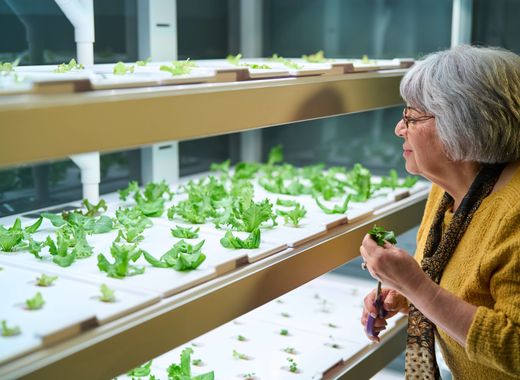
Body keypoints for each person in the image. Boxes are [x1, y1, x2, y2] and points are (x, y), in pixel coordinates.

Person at [359, 45, 520, 379]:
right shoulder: (449, 187)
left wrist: (417, 287)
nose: (399, 130)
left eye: (412, 117)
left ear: (462, 125)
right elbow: (465, 286)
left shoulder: (515, 213)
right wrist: (402, 293)